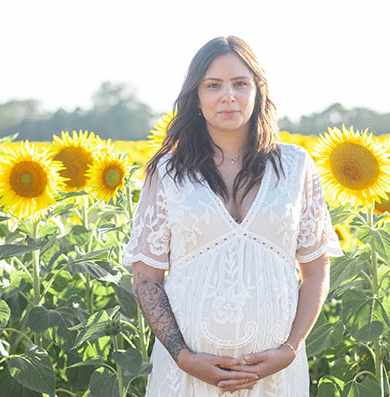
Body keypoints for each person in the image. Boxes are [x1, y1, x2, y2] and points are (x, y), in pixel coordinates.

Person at [123, 36, 343, 396]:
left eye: (240, 83)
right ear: (196, 96)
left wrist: (289, 351)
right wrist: (182, 356)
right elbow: (146, 278)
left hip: (274, 378)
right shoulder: (167, 172)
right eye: (214, 85)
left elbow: (316, 270)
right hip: (188, 378)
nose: (228, 96)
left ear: (258, 91)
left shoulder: (295, 166)